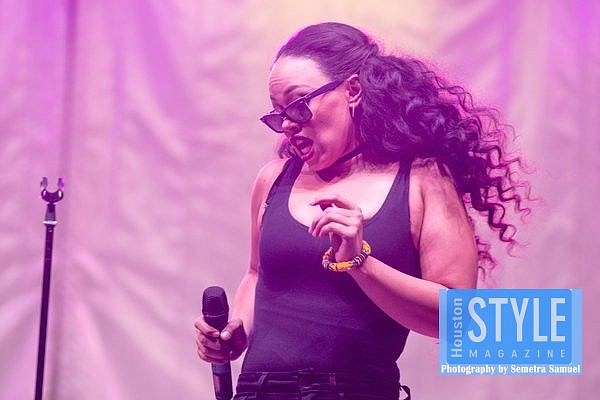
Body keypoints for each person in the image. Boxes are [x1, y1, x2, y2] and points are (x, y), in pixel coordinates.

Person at [195, 22, 529, 399]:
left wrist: (360, 262)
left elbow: (460, 318)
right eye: (278, 113)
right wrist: (235, 331)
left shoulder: (422, 180)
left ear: (352, 90)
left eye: (299, 105)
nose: (287, 124)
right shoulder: (273, 179)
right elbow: (257, 274)